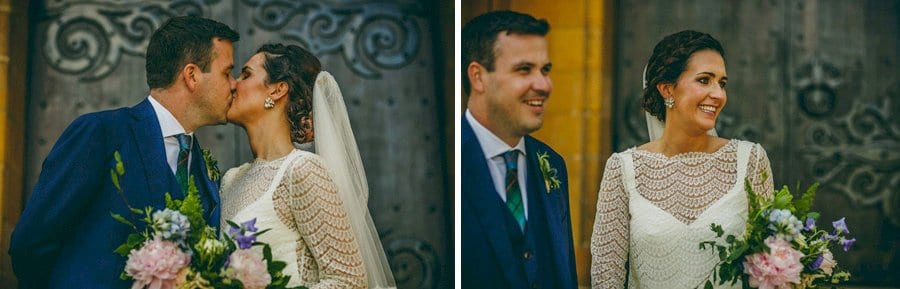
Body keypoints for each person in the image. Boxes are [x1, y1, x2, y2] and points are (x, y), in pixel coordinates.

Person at [8, 16, 238, 289]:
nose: (234, 84)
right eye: (227, 73)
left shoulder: (202, 166)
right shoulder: (101, 133)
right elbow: (31, 243)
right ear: (191, 75)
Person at [589, 30, 775, 288]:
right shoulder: (623, 169)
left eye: (721, 83)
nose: (718, 94)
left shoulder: (751, 161)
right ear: (667, 89)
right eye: (704, 80)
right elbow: (605, 277)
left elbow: (769, 269)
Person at [219, 43, 395, 289]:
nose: (234, 84)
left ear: (278, 90)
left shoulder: (301, 170)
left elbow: (349, 280)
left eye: (246, 74)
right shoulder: (232, 179)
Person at [461, 10, 577, 289]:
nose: (543, 85)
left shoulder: (552, 164)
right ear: (478, 77)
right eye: (524, 69)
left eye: (545, 70)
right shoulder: (453, 163)